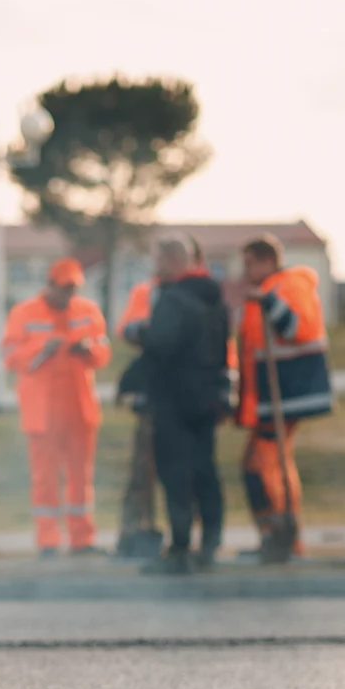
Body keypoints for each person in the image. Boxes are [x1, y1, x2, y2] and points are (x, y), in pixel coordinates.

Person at [128, 236, 230, 574]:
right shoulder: (214, 298)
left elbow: (160, 345)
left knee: (175, 475)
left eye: (158, 260)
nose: (155, 268)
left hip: (174, 399)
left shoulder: (174, 298)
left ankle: (181, 549)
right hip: (208, 397)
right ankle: (211, 546)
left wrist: (136, 341)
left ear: (171, 260)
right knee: (205, 472)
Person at [1, 258, 112, 558]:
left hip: (79, 407)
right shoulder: (24, 313)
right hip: (42, 411)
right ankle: (48, 540)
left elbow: (104, 351)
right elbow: (10, 357)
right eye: (64, 289)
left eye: (73, 289)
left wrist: (88, 349)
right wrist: (42, 349)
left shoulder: (87, 311)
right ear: (49, 285)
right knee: (44, 477)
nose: (68, 295)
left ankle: (82, 539)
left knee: (80, 477)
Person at [236, 234, 333, 563]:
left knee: (266, 465)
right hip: (271, 397)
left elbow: (296, 328)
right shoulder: (269, 290)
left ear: (267, 261)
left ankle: (285, 534)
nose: (245, 270)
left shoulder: (288, 287)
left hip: (290, 394)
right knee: (260, 464)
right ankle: (272, 534)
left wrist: (267, 302)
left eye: (250, 263)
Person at [113, 235, 210, 560]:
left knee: (183, 471)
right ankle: (135, 531)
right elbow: (127, 327)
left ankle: (188, 538)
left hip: (181, 395)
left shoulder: (199, 293)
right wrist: (143, 330)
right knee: (143, 469)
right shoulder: (148, 291)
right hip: (152, 392)